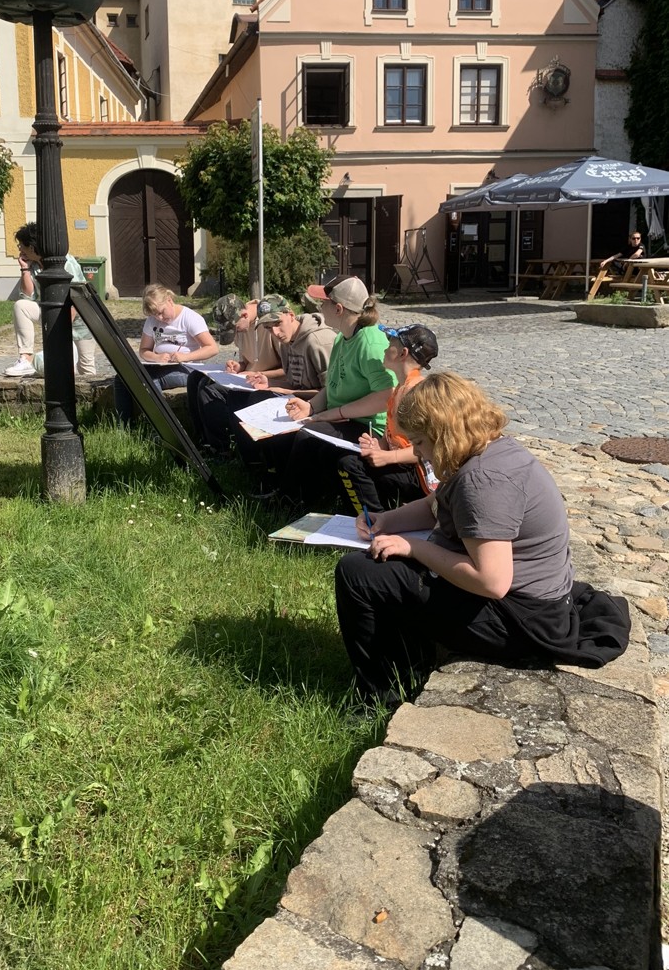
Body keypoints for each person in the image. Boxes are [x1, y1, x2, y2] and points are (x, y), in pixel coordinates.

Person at [335, 372, 630, 702]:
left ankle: (383, 694)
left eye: (419, 442)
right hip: (535, 607)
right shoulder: (488, 449)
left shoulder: (482, 480)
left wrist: (413, 547)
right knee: (383, 569)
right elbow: (435, 504)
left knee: (358, 574)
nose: (417, 453)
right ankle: (411, 661)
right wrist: (387, 520)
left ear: (442, 434)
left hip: (522, 623)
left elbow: (491, 581)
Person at [258, 276, 395, 509]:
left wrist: (335, 413)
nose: (319, 307)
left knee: (308, 436)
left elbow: (386, 397)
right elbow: (331, 384)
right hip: (347, 418)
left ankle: (289, 501)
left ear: (339, 309)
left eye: (324, 302)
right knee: (295, 431)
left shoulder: (370, 343)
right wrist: (311, 407)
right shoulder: (343, 337)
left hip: (371, 427)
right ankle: (296, 495)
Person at [338, 324, 439, 514]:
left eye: (391, 343)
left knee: (350, 464)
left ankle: (376, 519)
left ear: (403, 353)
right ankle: (380, 514)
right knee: (351, 459)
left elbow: (430, 449)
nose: (385, 349)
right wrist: (378, 446)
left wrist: (386, 458)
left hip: (420, 475)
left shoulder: (416, 394)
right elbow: (393, 435)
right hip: (403, 464)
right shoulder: (401, 387)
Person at [227, 295, 337, 469]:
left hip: (323, 405)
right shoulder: (287, 341)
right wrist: (269, 383)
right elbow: (294, 382)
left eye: (278, 323)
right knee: (246, 400)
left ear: (291, 315)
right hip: (301, 399)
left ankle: (277, 471)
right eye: (268, 328)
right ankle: (256, 465)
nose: (276, 333)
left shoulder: (317, 341)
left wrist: (288, 392)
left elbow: (333, 391)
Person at [186, 295, 281, 455]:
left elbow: (287, 369)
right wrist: (238, 366)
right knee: (195, 378)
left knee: (208, 390)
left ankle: (221, 448)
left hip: (268, 381)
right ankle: (203, 440)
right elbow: (248, 360)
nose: (237, 333)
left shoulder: (270, 325)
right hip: (248, 377)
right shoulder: (243, 323)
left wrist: (257, 373)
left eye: (235, 329)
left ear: (244, 315)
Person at [113, 284, 218, 425]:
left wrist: (185, 357)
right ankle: (123, 425)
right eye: (155, 315)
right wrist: (156, 357)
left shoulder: (189, 318)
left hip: (187, 368)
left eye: (162, 312)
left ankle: (159, 425)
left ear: (169, 300)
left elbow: (212, 348)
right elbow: (144, 350)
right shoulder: (152, 321)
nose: (160, 318)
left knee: (150, 379)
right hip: (160, 365)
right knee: (122, 377)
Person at [4, 223, 97, 378]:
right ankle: (26, 359)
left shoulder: (66, 262)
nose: (20, 249)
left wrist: (61, 330)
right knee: (21, 306)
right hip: (51, 313)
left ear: (32, 247)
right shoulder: (34, 265)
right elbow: (28, 296)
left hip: (80, 322)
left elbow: (76, 297)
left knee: (86, 368)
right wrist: (25, 269)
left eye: (21, 246)